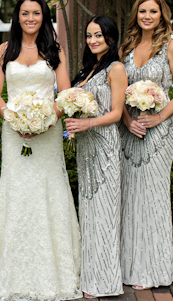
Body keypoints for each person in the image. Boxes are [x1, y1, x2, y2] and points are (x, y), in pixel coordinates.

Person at [0, 0, 81, 301]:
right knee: (16, 191)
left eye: (36, 13)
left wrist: (47, 120)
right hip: (13, 132)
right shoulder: (6, 49)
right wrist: (15, 120)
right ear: (17, 17)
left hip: (47, 132)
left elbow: (66, 92)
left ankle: (55, 270)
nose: (30, 18)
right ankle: (10, 270)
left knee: (50, 191)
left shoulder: (54, 49)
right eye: (24, 13)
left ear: (44, 17)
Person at [118, 0, 173, 290]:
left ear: (163, 16)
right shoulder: (127, 46)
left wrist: (158, 119)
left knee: (152, 196)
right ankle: (127, 265)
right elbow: (117, 89)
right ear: (136, 14)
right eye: (143, 11)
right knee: (129, 196)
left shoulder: (171, 47)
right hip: (128, 129)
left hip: (158, 131)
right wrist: (126, 120)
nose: (147, 16)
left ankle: (153, 268)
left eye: (153, 12)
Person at [65, 15, 128, 298]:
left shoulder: (116, 68)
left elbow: (116, 114)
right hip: (86, 148)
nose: (92, 40)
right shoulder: (85, 71)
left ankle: (105, 281)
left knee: (104, 211)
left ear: (111, 38)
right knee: (89, 212)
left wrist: (86, 124)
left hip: (104, 145)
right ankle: (90, 274)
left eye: (99, 35)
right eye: (89, 35)